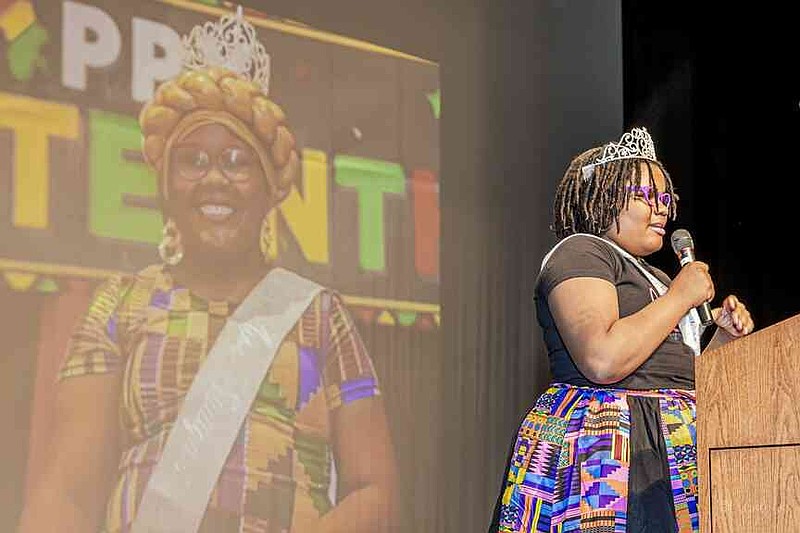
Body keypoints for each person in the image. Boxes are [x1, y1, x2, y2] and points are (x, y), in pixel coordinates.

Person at [17, 7, 396, 533]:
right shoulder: (120, 303)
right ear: (167, 188)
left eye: (238, 162)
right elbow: (67, 489)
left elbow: (375, 492)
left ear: (270, 189)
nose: (214, 178)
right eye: (192, 160)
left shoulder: (317, 313)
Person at [493, 127, 753, 533]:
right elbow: (602, 358)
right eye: (647, 197)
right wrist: (679, 298)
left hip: (669, 443)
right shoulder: (581, 251)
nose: (662, 209)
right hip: (608, 445)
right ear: (605, 198)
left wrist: (723, 337)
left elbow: (683, 374)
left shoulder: (658, 277)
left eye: (666, 199)